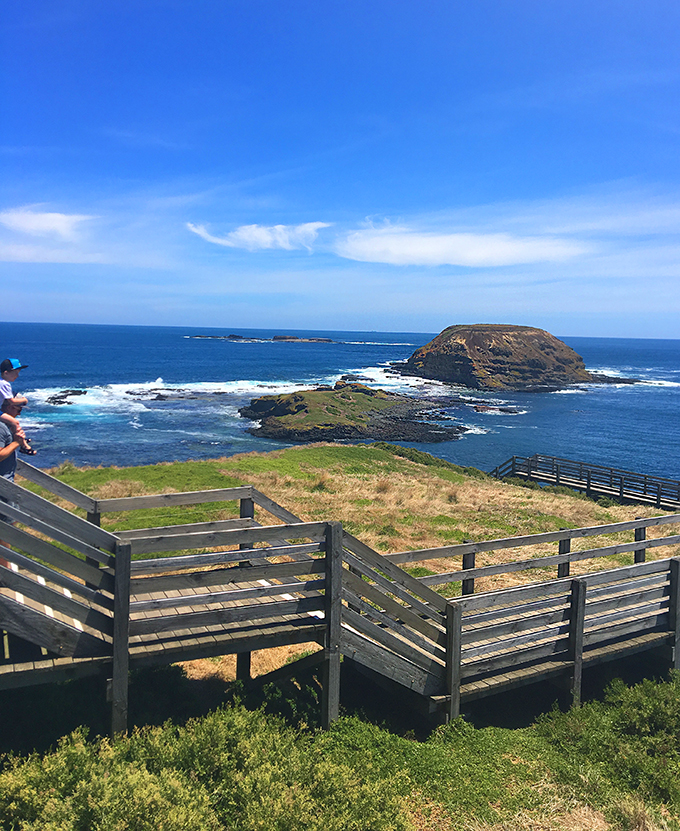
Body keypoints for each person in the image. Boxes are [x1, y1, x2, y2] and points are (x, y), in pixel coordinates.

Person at [0, 398, 21, 567]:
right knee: (4, 530)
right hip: (2, 487)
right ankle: (4, 575)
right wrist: (16, 443)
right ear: (7, 407)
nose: (20, 411)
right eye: (17, 407)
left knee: (9, 526)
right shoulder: (0, 427)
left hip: (7, 485)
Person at [0, 358, 35, 455]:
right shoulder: (4, 384)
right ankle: (23, 445)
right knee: (14, 422)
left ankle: (22, 441)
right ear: (6, 373)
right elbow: (11, 401)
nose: (17, 376)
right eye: (15, 373)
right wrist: (24, 400)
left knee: (11, 423)